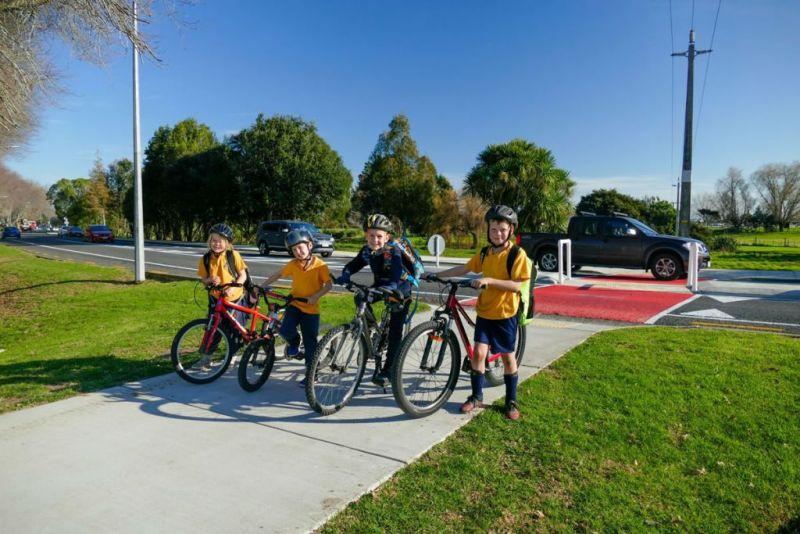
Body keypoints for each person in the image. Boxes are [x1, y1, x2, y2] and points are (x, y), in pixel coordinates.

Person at [426, 205, 531, 420]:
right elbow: (464, 269)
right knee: (479, 355)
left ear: (511, 230)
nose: (497, 233)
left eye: (502, 229)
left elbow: (518, 285)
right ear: (488, 230)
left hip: (505, 314)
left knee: (508, 359)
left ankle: (511, 400)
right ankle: (476, 396)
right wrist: (438, 275)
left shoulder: (516, 254)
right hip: (484, 313)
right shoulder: (485, 253)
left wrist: (489, 280)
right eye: (493, 229)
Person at [336, 213, 412, 387]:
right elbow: (353, 265)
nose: (375, 239)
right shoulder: (367, 251)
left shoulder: (394, 252)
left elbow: (395, 273)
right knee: (360, 297)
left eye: (379, 236)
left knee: (394, 331)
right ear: (366, 235)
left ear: (387, 237)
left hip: (400, 289)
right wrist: (346, 275)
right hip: (380, 286)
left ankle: (389, 370)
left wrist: (393, 288)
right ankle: (370, 327)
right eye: (371, 235)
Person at [261, 229, 332, 386]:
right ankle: (294, 342)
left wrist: (315, 296)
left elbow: (329, 285)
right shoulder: (293, 264)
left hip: (311, 309)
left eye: (300, 248)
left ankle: (311, 374)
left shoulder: (320, 265)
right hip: (294, 304)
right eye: (294, 250)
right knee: (285, 330)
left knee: (310, 343)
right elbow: (278, 274)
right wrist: (263, 285)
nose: (297, 252)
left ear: (310, 245)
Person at [197, 223, 250, 352]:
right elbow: (204, 280)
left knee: (235, 329)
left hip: (235, 298)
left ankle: (233, 354)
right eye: (214, 241)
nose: (216, 244)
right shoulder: (206, 259)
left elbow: (243, 275)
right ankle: (206, 357)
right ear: (209, 241)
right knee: (212, 328)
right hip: (216, 298)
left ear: (227, 243)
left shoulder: (233, 255)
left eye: (220, 241)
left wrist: (233, 288)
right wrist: (210, 279)